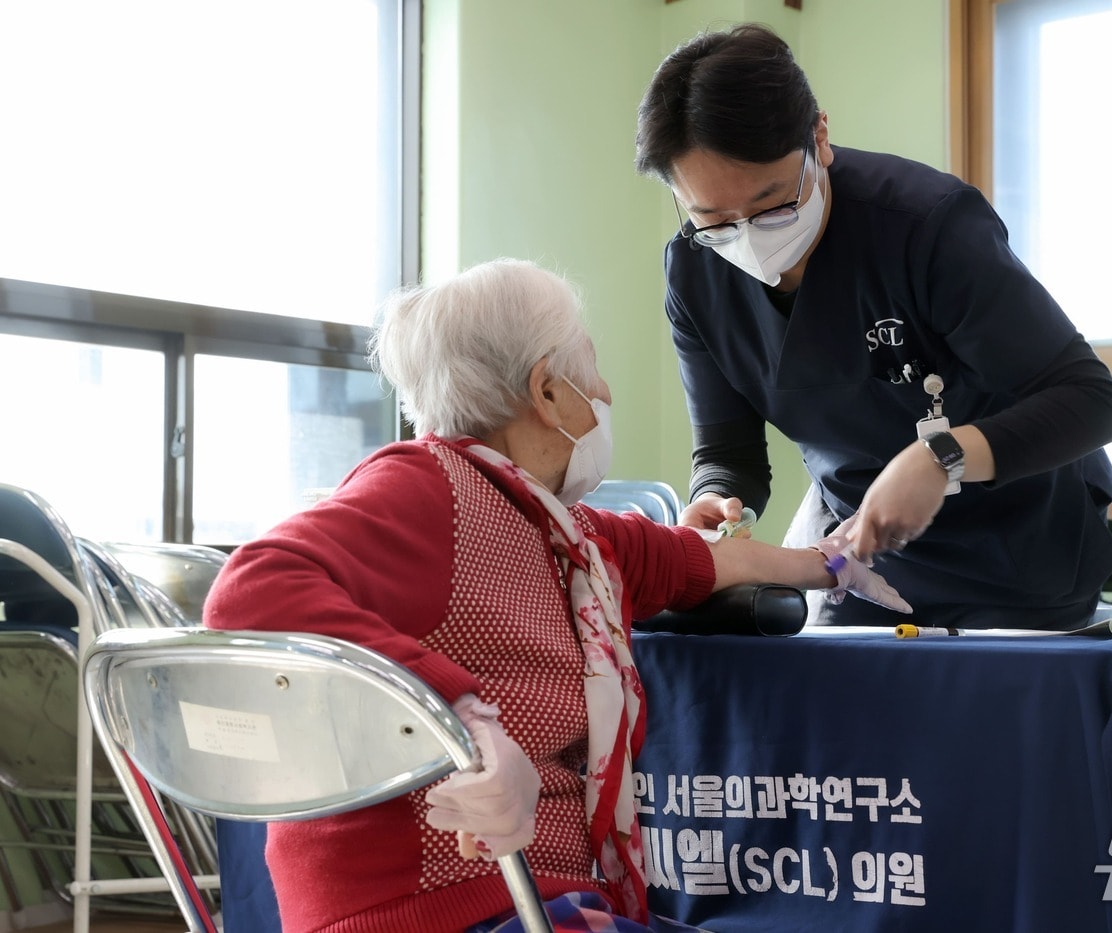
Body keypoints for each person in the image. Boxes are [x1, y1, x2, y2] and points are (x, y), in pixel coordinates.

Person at [202, 258, 905, 933]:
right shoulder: (424, 486)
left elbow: (705, 559)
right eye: (592, 369)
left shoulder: (565, 536)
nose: (606, 393)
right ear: (546, 392)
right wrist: (461, 714)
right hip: (432, 905)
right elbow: (250, 590)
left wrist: (834, 561)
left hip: (532, 902)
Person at [634, 23, 1112, 631]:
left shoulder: (927, 227)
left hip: (1019, 549)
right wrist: (713, 499)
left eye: (774, 205)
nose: (748, 239)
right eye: (712, 219)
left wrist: (939, 458)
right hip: (857, 556)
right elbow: (727, 452)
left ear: (819, 135)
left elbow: (1093, 402)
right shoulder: (694, 271)